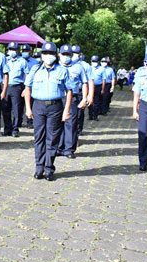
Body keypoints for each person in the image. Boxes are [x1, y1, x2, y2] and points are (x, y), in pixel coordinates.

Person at [24, 42, 73, 181]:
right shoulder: (35, 69)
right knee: (39, 137)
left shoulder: (62, 70)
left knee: (52, 138)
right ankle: (39, 167)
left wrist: (66, 110)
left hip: (55, 107)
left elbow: (69, 91)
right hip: (38, 106)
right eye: (45, 53)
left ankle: (49, 168)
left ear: (55, 55)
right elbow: (27, 88)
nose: (48, 56)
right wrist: (28, 108)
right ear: (41, 55)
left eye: (51, 53)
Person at [56, 45, 88, 159]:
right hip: (57, 98)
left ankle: (69, 149)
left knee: (71, 123)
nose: (66, 57)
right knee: (57, 123)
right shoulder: (55, 66)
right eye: (63, 54)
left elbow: (84, 83)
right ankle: (58, 148)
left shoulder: (78, 67)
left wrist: (84, 98)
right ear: (59, 54)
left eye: (68, 54)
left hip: (73, 98)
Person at [2, 42, 28, 138]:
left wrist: (26, 88)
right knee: (5, 108)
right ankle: (7, 128)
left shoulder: (22, 61)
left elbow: (27, 75)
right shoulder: (5, 60)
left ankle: (15, 129)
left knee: (16, 110)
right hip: (6, 86)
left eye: (14, 49)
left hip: (17, 87)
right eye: (10, 49)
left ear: (17, 50)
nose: (12, 51)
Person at [71, 46, 94, 140]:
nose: (74, 55)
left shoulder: (85, 65)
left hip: (80, 92)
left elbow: (90, 81)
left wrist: (90, 95)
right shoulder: (66, 63)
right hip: (67, 93)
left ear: (80, 54)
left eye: (76, 53)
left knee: (79, 114)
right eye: (72, 53)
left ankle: (77, 132)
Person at [88, 55, 105, 121]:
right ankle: (90, 116)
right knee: (89, 101)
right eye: (93, 61)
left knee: (96, 102)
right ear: (91, 61)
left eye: (96, 61)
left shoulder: (101, 69)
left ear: (98, 62)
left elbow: (103, 79)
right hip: (90, 86)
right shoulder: (88, 68)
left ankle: (95, 116)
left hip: (98, 86)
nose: (94, 62)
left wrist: (102, 89)